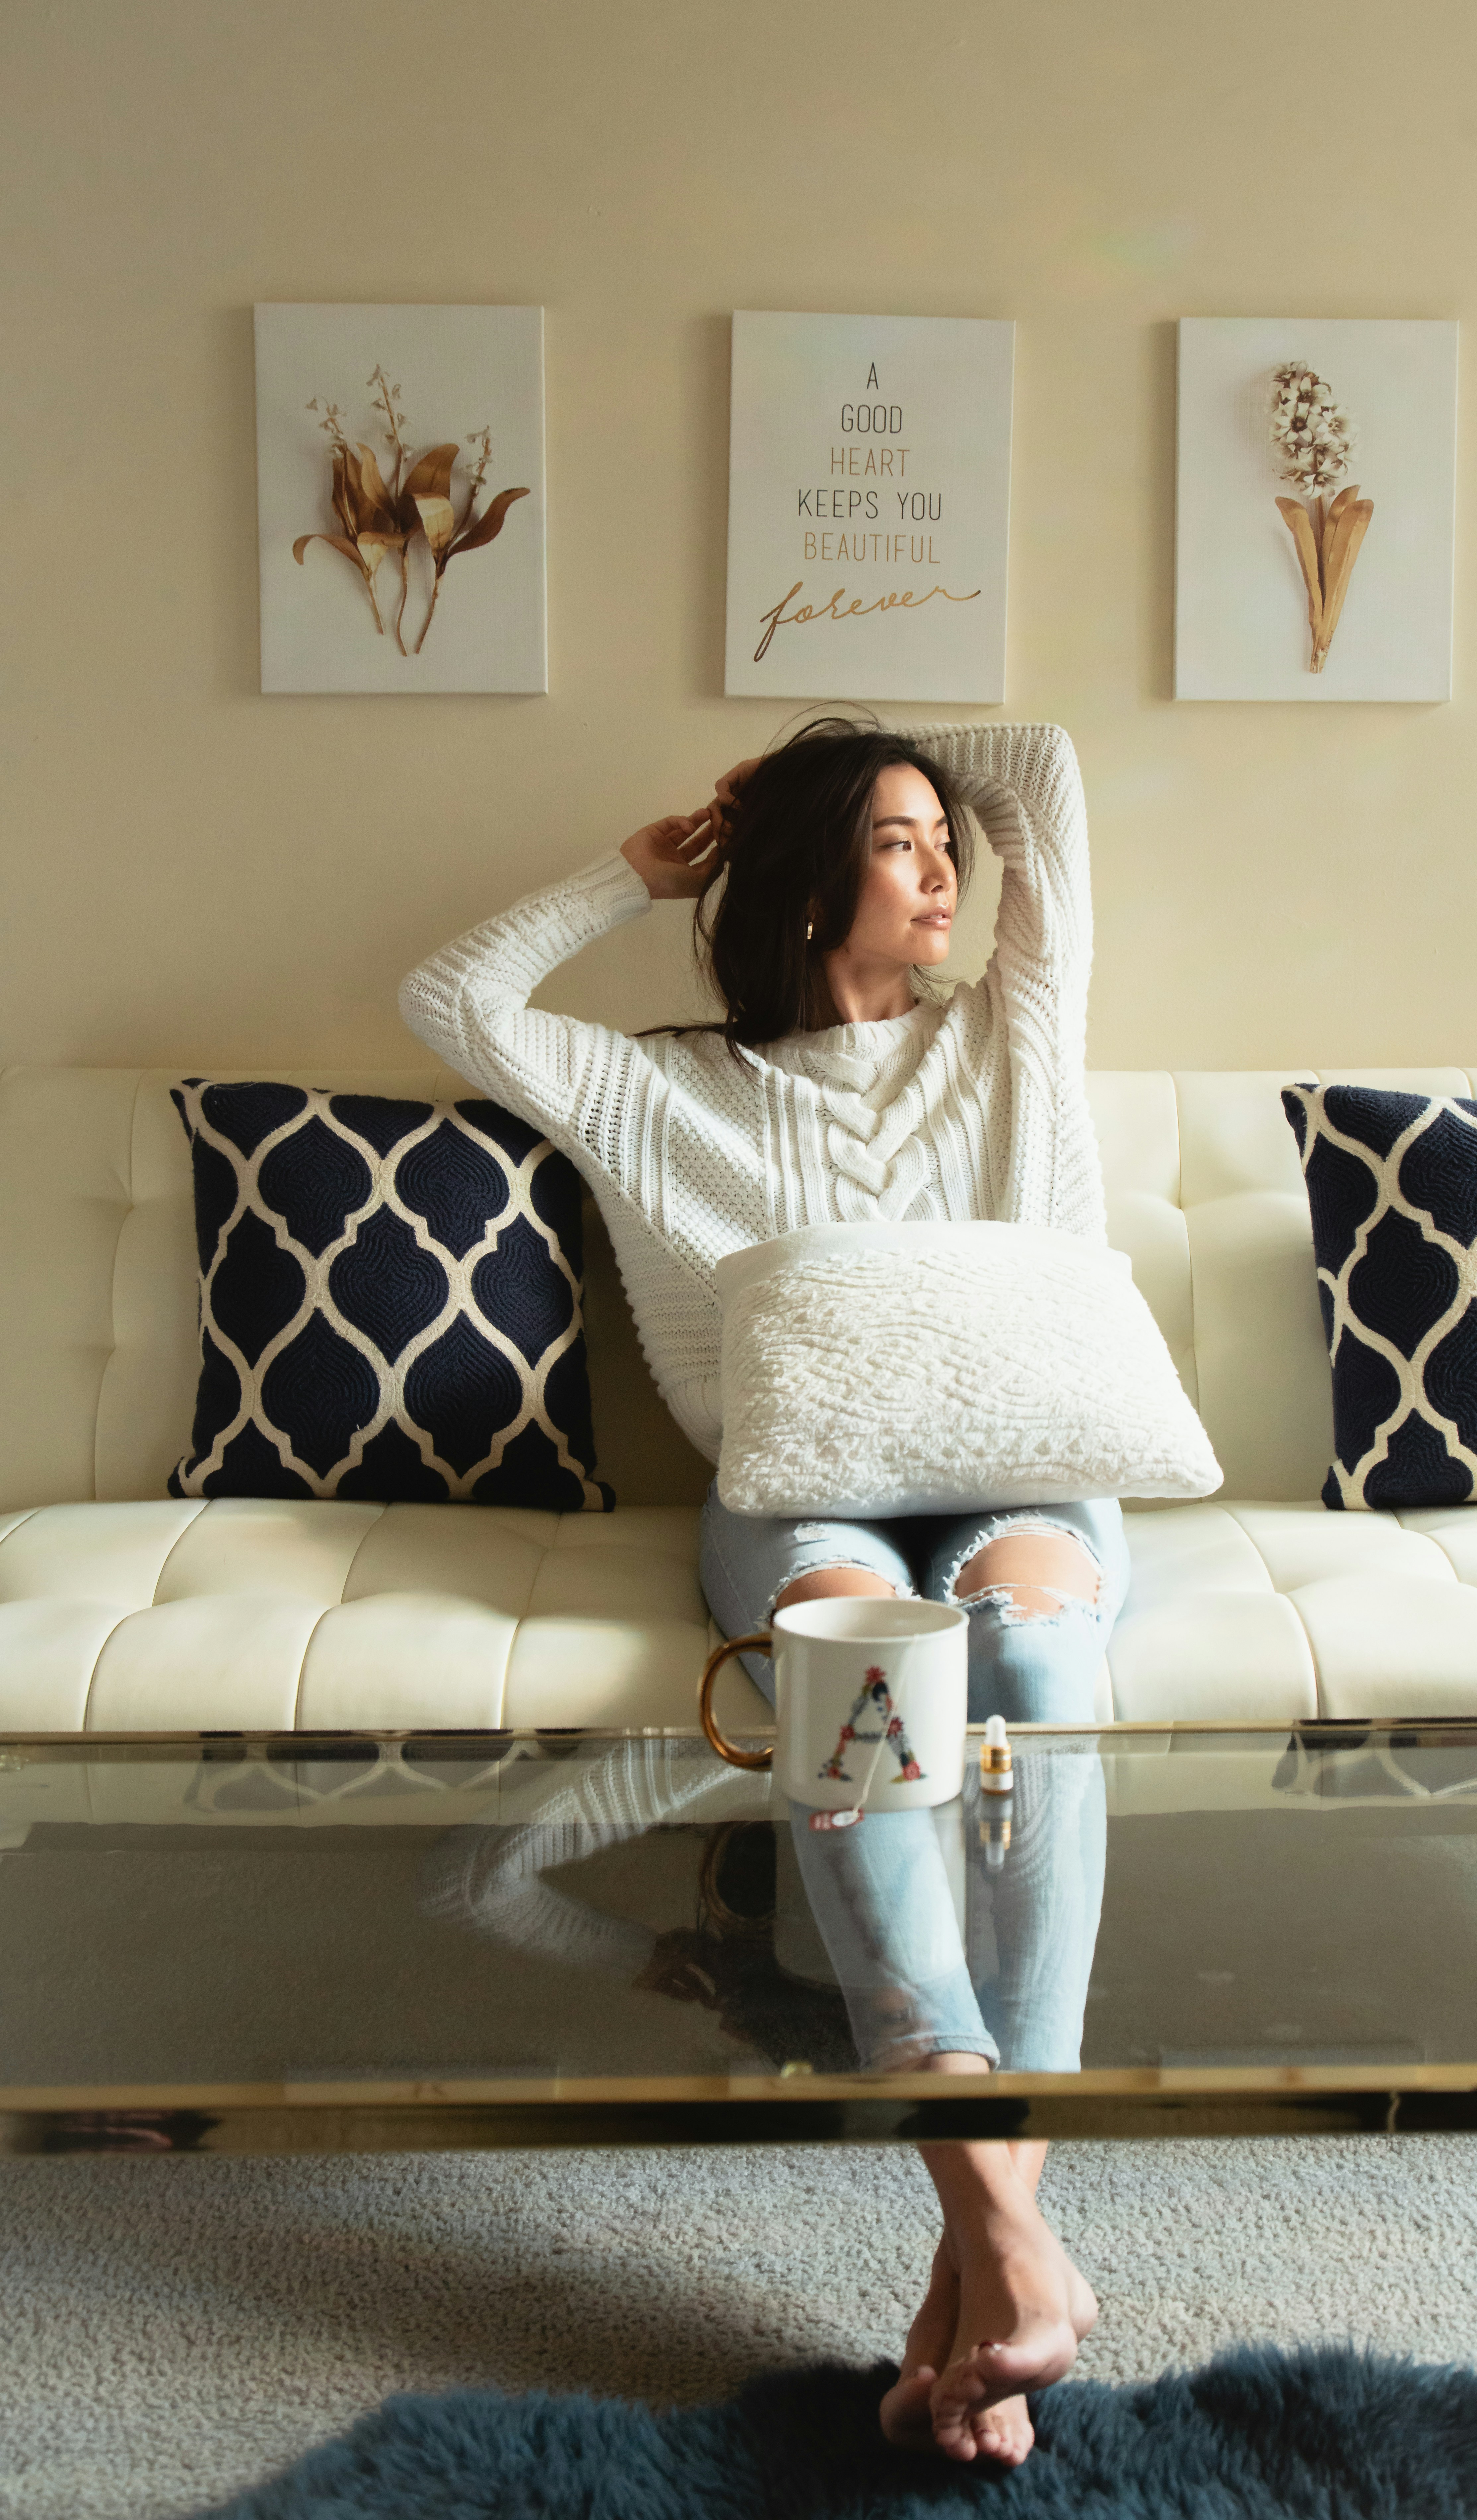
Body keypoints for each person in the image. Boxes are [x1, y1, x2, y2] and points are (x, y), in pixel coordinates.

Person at [401, 717, 1128, 2467]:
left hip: (1026, 1466)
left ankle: (983, 2273)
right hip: (805, 1498)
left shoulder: (1011, 1037)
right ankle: (1011, 2255)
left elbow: (1043, 766)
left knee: (1031, 1655)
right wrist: (650, 868)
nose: (949, 861)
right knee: (848, 1649)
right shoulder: (664, 1091)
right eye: (897, 840)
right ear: (808, 880)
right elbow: (452, 1005)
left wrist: (894, 759)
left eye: (945, 836)